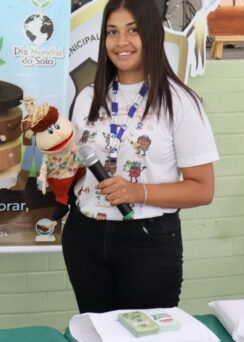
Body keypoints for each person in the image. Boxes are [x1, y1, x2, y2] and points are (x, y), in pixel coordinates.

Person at [65, 0, 218, 314]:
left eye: (132, 31)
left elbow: (202, 189)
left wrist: (139, 192)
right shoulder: (88, 98)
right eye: (112, 32)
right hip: (85, 237)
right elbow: (77, 168)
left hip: (147, 240)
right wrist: (57, 160)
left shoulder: (180, 102)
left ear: (151, 35)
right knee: (98, 339)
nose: (121, 42)